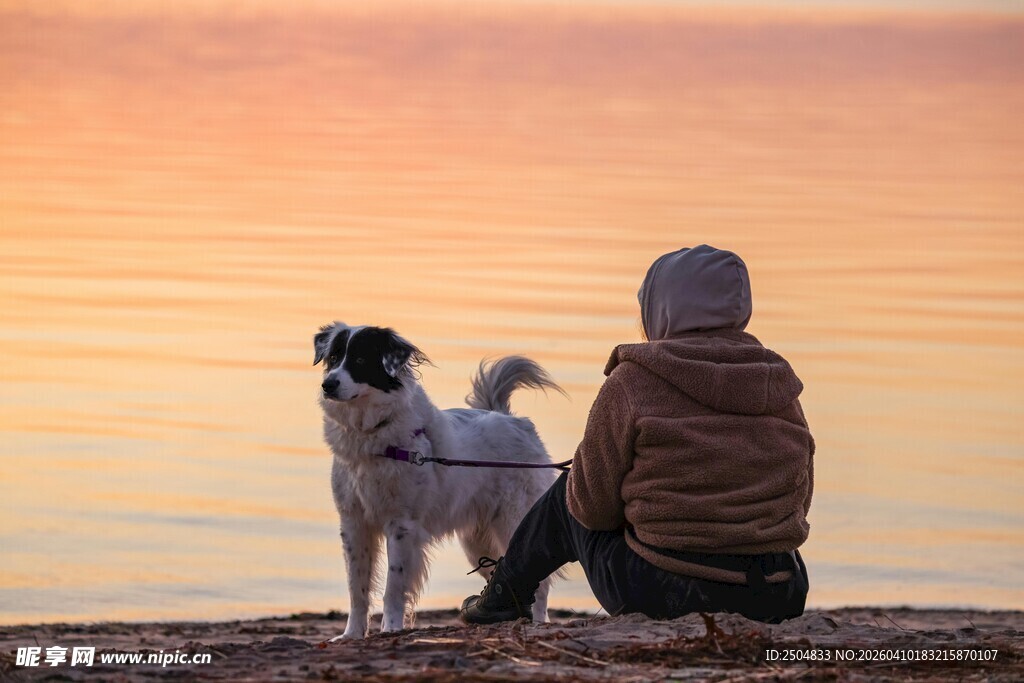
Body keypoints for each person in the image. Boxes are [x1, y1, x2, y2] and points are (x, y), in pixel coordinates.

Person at [460, 244, 813, 625]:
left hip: (663, 591)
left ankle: (504, 596)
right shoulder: (776, 381)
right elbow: (799, 497)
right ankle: (505, 593)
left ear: (660, 308)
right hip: (779, 594)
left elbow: (591, 508)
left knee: (569, 492)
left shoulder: (634, 379)